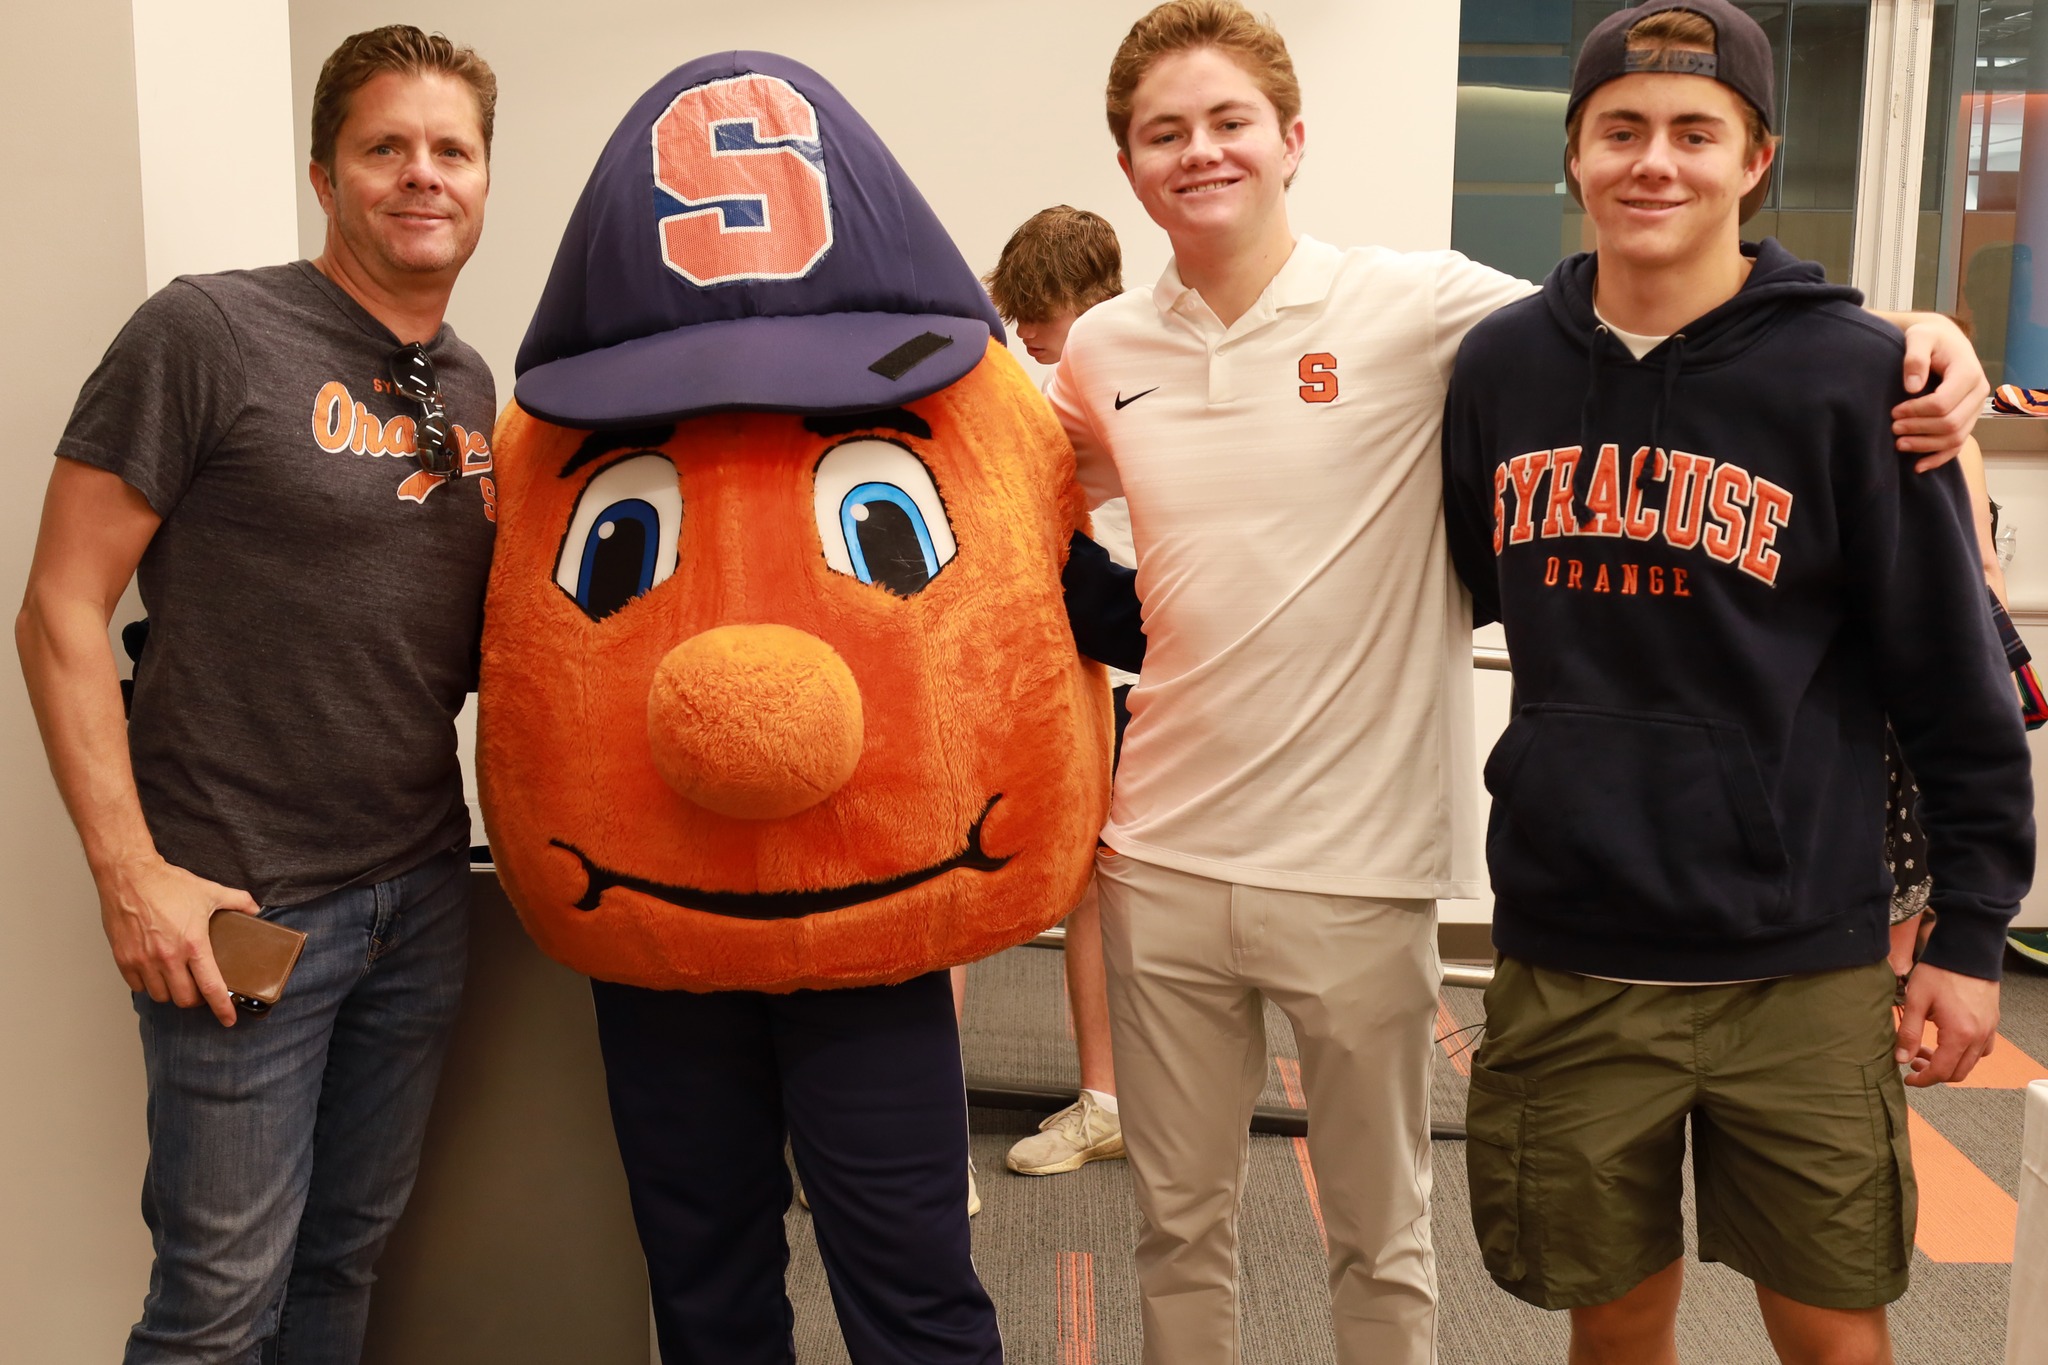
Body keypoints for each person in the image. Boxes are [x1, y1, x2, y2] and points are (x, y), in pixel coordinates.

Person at [1046, 3, 1992, 1363]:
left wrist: (1918, 326)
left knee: (1388, 1233)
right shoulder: (1107, 353)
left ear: (1294, 138)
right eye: (1164, 133)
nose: (1201, 152)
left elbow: (1677, 294)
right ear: (1129, 164)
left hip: (1372, 865)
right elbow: (1028, 486)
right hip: (1176, 853)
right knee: (1180, 1224)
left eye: (1230, 120)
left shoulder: (1428, 314)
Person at [1439, 5, 2033, 1364]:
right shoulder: (1503, 369)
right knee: (1616, 1318)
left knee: (1832, 1327)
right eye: (1621, 130)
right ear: (1575, 160)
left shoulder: (1856, 376)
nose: (1658, 163)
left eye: (1696, 133)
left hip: (1801, 958)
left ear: (1755, 159)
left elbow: (1950, 676)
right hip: (1574, 938)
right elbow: (1481, 572)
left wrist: (1971, 929)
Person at [15, 25, 497, 1363]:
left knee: (345, 1263)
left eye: (451, 149)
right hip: (243, 903)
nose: (421, 174)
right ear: (322, 173)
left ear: (483, 181)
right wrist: (130, 873)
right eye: (384, 146)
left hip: (418, 891)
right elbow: (58, 606)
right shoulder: (209, 330)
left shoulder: (468, 386)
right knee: (219, 1303)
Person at [982, 205, 1131, 1177]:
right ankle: (1104, 1099)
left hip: (1120, 661)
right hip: (1063, 660)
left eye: (1038, 311)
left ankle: (1108, 1100)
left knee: (1102, 888)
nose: (1027, 332)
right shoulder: (1054, 396)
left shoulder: (1121, 384)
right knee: (985, 874)